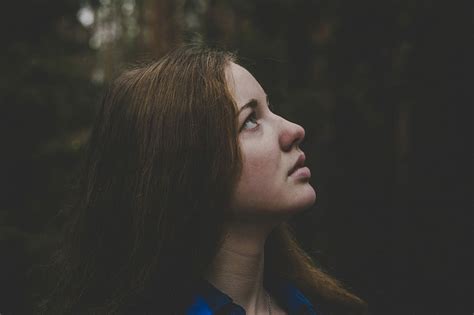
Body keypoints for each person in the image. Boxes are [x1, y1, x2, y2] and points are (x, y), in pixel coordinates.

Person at [40, 45, 367, 314]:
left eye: (270, 109)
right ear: (185, 167)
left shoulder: (318, 306)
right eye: (250, 121)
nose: (294, 130)